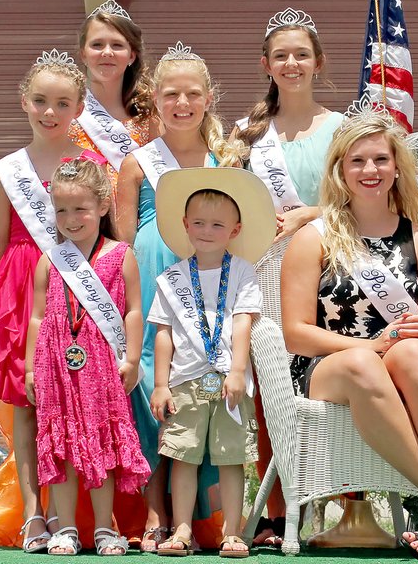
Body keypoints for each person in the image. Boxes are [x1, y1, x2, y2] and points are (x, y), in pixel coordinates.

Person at [281, 104, 418, 560]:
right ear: (340, 170)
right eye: (358, 161)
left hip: (406, 364)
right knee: (367, 362)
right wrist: (370, 344)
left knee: (415, 354)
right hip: (331, 365)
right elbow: (295, 333)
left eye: (381, 160)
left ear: (396, 167)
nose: (371, 170)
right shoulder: (316, 237)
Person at [117, 41, 245, 551]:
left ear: (209, 97)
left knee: (202, 386)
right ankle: (155, 512)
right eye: (171, 93)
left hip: (211, 278)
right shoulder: (135, 162)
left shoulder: (227, 159)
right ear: (155, 97)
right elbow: (124, 242)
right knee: (153, 387)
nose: (182, 103)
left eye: (193, 93)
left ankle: (193, 517)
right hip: (151, 273)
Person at [232, 8, 342, 545]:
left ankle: (343, 510)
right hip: (266, 271)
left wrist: (308, 214)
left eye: (301, 54)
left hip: (332, 268)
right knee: (271, 388)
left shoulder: (343, 127)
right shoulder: (246, 134)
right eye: (281, 55)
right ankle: (277, 511)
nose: (291, 63)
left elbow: (359, 198)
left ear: (318, 62)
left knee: (333, 381)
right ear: (266, 65)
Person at [0, 49, 88, 550]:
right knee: (25, 404)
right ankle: (33, 513)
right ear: (24, 102)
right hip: (20, 290)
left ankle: (70, 513)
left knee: (70, 400)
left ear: (78, 108)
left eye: (62, 103)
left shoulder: (91, 164)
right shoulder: (8, 170)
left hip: (73, 286)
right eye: (40, 100)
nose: (50, 111)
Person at [25, 155, 150, 556]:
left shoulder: (121, 254)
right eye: (62, 209)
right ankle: (66, 530)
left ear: (102, 206)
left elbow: (133, 309)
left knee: (100, 445)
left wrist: (130, 358)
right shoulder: (49, 259)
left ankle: (103, 528)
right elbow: (37, 317)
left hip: (102, 365)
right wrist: (31, 366)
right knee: (59, 446)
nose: (71, 218)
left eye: (80, 208)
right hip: (55, 365)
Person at [148, 167, 276, 557]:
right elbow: (164, 334)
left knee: (231, 458)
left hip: (229, 381)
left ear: (235, 230)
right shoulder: (170, 278)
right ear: (185, 225)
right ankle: (182, 529)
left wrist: (238, 370)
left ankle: (231, 532)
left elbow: (241, 324)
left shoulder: (242, 272)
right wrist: (159, 383)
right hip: (184, 381)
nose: (207, 230)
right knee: (182, 457)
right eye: (199, 222)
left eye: (217, 224)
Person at [69, 0, 154, 193]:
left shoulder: (149, 115)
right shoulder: (68, 111)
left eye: (117, 45)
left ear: (131, 55)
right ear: (83, 54)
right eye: (97, 45)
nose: (107, 52)